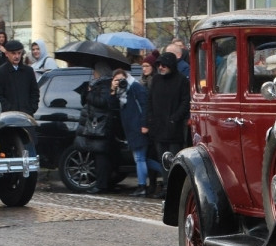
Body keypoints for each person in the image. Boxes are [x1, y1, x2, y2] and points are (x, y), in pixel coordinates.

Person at [144, 51, 190, 198]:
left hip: (174, 127)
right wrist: (150, 119)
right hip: (159, 127)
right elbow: (150, 100)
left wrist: (175, 118)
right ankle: (165, 187)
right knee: (162, 159)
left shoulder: (181, 80)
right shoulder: (156, 80)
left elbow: (185, 101)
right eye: (159, 65)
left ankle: (174, 188)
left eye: (164, 65)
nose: (161, 67)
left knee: (174, 159)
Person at [75, 62, 119, 194]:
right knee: (98, 156)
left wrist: (90, 94)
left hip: (101, 126)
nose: (93, 73)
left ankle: (101, 185)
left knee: (101, 158)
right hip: (95, 126)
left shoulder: (105, 85)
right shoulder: (97, 84)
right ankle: (102, 183)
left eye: (95, 71)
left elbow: (103, 102)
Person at [111, 68, 153, 197]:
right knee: (142, 158)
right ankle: (165, 170)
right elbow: (112, 105)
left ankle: (142, 187)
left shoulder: (135, 87)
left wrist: (145, 124)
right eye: (116, 79)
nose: (120, 82)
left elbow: (145, 105)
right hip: (130, 128)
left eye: (121, 79)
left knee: (139, 158)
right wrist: (113, 89)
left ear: (126, 77)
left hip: (138, 127)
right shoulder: (121, 91)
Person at [0, 40, 40, 115]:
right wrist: (10, 109)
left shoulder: (28, 71)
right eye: (13, 53)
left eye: (19, 53)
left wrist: (31, 108)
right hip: (7, 117)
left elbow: (35, 92)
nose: (17, 56)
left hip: (27, 116)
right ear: (6, 54)